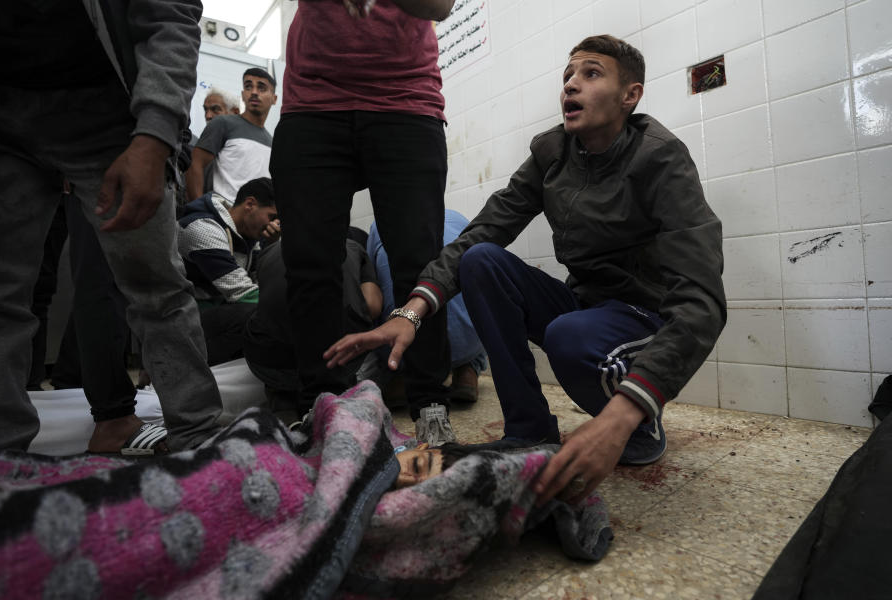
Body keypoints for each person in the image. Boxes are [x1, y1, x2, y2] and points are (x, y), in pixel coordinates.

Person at [326, 35, 726, 505]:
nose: (571, 85)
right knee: (482, 261)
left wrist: (619, 417)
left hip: (643, 316)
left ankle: (638, 430)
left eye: (591, 73)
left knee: (568, 336)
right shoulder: (552, 153)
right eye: (567, 76)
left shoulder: (660, 158)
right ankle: (529, 430)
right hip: (588, 307)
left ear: (630, 95)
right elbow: (481, 233)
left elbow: (702, 302)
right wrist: (410, 313)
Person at [0, 0, 224, 453]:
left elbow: (169, 6)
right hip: (5, 114)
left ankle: (200, 444)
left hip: (106, 110)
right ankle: (3, 462)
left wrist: (155, 134)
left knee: (153, 286)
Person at [269, 0, 462, 445]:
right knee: (310, 262)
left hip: (406, 100)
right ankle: (322, 405)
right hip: (313, 101)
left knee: (419, 260)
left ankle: (429, 403)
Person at [244, 238, 382, 425]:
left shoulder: (267, 252)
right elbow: (373, 306)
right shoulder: (351, 246)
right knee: (351, 332)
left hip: (272, 360)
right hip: (333, 356)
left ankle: (283, 405)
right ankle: (334, 404)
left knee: (271, 326)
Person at [367, 209, 487, 403]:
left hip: (401, 345)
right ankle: (467, 372)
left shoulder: (379, 225)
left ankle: (398, 375)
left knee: (374, 294)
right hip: (468, 340)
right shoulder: (458, 219)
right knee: (476, 298)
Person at [178, 177, 280, 365]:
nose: (273, 225)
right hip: (183, 320)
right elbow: (243, 293)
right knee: (256, 316)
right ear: (250, 204)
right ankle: (188, 367)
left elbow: (263, 285)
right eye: (272, 217)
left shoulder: (251, 238)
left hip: (214, 315)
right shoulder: (203, 228)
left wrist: (272, 246)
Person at [185, 68, 276, 204]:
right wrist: (199, 211)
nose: (254, 92)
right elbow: (195, 164)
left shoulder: (272, 142)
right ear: (243, 94)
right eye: (248, 86)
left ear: (274, 99)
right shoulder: (223, 123)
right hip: (220, 218)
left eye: (261, 88)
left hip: (254, 222)